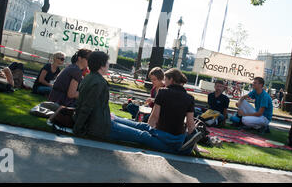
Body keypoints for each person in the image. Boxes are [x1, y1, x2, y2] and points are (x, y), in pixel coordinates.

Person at [73, 58, 201, 155]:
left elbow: (154, 117)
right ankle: (112, 118)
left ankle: (111, 120)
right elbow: (190, 125)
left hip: (164, 138)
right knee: (142, 128)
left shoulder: (163, 92)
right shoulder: (190, 98)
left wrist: (150, 130)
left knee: (142, 134)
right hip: (176, 138)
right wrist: (195, 146)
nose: (164, 83)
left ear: (171, 80)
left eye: (166, 80)